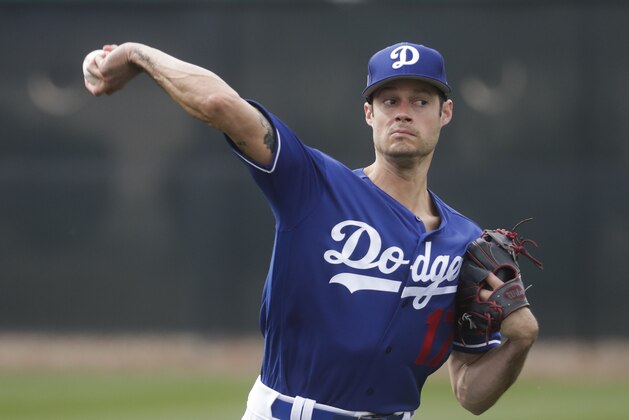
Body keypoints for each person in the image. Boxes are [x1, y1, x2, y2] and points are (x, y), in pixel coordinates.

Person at [83, 41, 538, 419]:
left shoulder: (465, 243)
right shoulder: (315, 185)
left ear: (446, 113)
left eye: (420, 101)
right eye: (388, 100)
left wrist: (521, 341)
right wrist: (137, 55)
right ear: (368, 114)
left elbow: (470, 395)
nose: (403, 113)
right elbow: (219, 104)